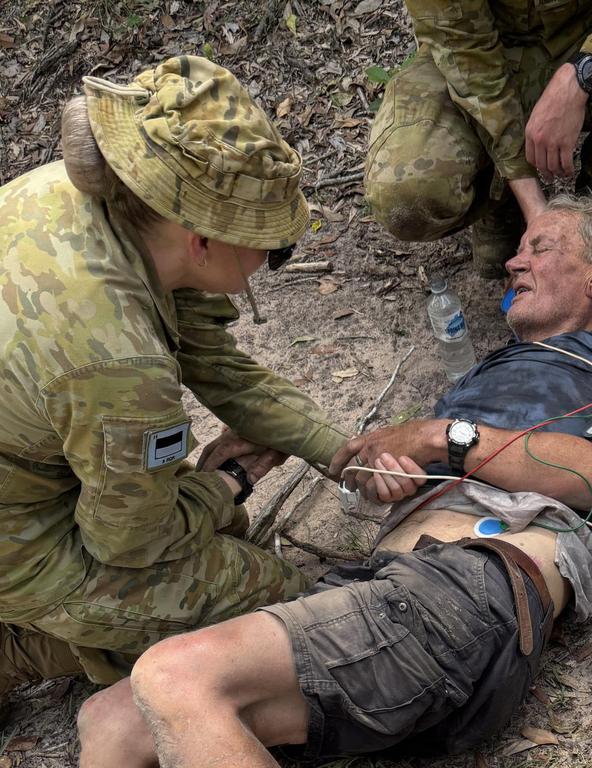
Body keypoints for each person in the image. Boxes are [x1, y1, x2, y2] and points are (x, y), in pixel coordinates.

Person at [75, 182, 592, 767]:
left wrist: (435, 436)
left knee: (176, 675)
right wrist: (387, 475)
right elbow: (429, 466)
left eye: (540, 248)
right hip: (381, 592)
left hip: (475, 585)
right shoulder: (488, 373)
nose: (512, 263)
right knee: (109, 720)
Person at [0, 56, 348, 696]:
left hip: (28, 471)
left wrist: (340, 451)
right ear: (202, 241)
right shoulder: (115, 358)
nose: (273, 260)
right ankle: (23, 646)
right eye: (270, 245)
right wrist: (228, 483)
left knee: (223, 535)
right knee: (293, 613)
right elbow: (130, 542)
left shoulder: (100, 201)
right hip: (18, 542)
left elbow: (213, 360)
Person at [363, 0, 592, 278]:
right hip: (481, 52)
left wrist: (588, 71)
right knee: (405, 189)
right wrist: (534, 206)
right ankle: (502, 202)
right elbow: (467, 57)